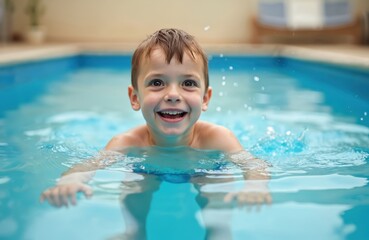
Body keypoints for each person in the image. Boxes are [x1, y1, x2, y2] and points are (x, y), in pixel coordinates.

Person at [40, 28, 271, 238]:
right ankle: (135, 232)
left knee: (216, 187)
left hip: (206, 170)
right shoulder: (128, 142)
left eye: (188, 83)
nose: (172, 94)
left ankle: (218, 232)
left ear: (205, 98)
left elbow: (254, 165)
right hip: (147, 170)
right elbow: (89, 165)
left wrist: (255, 187)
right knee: (135, 183)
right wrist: (69, 182)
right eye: (157, 82)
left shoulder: (217, 139)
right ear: (135, 97)